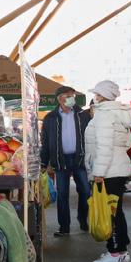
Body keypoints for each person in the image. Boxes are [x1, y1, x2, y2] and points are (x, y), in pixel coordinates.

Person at [84, 80, 131, 262]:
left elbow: (104, 147)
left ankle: (114, 252)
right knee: (116, 211)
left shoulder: (104, 115)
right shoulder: (119, 113)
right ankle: (122, 250)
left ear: (101, 95)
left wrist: (98, 172)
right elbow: (127, 143)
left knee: (110, 212)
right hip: (117, 168)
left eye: (96, 93)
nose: (94, 96)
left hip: (108, 172)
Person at [40, 85, 92, 237]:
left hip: (79, 158)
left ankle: (83, 219)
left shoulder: (83, 115)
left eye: (73, 96)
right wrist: (43, 163)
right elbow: (46, 142)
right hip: (60, 160)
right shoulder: (50, 118)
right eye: (68, 95)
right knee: (62, 195)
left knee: (86, 192)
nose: (72, 98)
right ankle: (64, 227)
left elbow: (90, 137)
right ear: (60, 98)